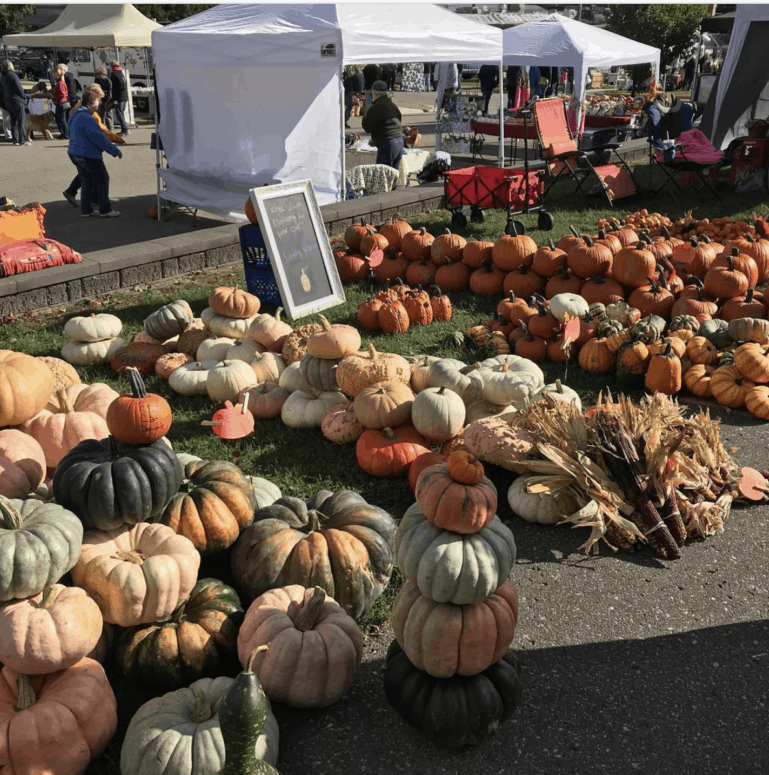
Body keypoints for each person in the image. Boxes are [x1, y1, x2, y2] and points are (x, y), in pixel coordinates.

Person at [67, 88, 123, 218]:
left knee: (87, 181)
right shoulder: (88, 118)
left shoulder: (75, 113)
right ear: (90, 104)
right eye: (96, 106)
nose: (97, 109)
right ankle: (105, 209)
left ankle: (86, 210)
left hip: (74, 152)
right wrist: (115, 151)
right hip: (88, 154)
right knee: (103, 179)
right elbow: (99, 139)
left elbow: (69, 132)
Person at [361, 80, 404, 170]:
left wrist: (365, 115)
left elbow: (367, 127)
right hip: (399, 140)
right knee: (393, 175)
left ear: (374, 93)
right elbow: (399, 119)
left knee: (383, 175)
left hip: (387, 143)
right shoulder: (392, 105)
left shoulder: (376, 107)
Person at [1, 60, 29, 146]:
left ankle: (15, 139)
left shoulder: (2, 76)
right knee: (21, 121)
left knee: (13, 121)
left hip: (8, 100)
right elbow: (19, 88)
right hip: (17, 100)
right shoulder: (13, 75)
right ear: (10, 66)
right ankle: (22, 140)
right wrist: (24, 96)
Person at [110, 60, 130, 135]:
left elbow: (118, 85)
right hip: (124, 96)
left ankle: (125, 129)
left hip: (119, 96)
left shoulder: (114, 74)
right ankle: (125, 128)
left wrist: (115, 97)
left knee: (119, 113)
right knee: (121, 112)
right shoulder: (121, 73)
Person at [52, 68, 69, 139]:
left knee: (62, 120)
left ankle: (65, 134)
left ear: (57, 74)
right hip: (62, 102)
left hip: (61, 103)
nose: (53, 75)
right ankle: (63, 133)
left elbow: (62, 94)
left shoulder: (60, 83)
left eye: (53, 74)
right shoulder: (61, 82)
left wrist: (56, 99)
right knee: (60, 119)